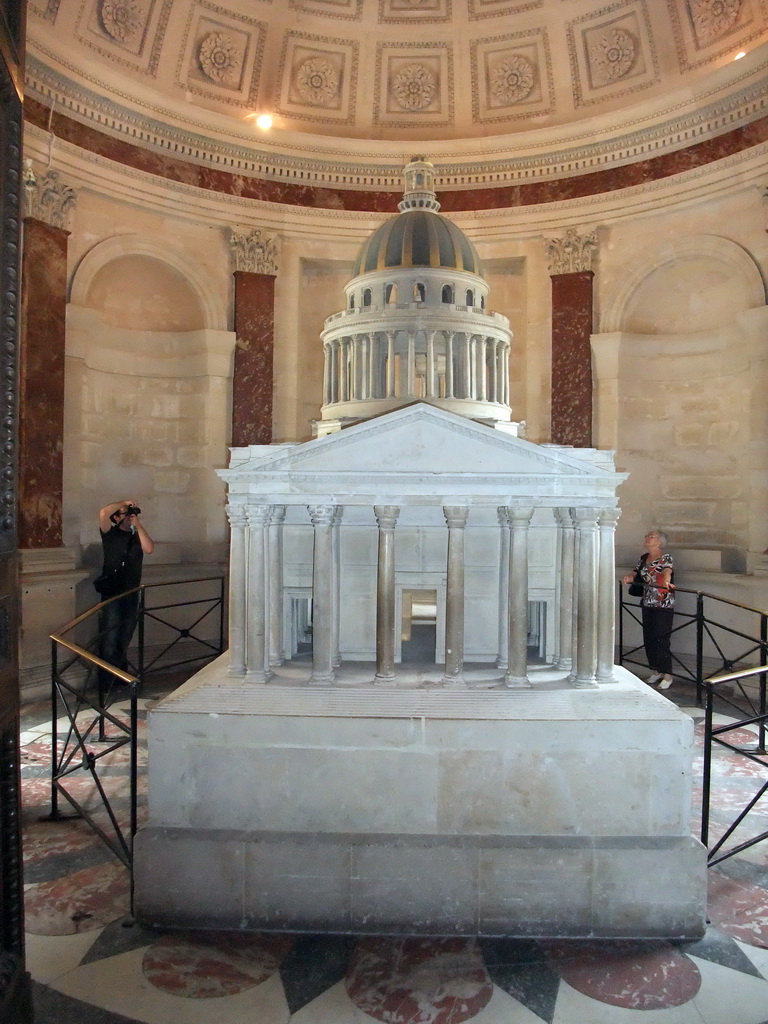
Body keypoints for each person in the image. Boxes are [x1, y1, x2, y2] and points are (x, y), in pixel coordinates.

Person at [97, 499, 154, 685]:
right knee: (110, 638)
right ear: (116, 518)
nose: (130, 516)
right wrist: (123, 502)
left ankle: (121, 677)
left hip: (131, 592)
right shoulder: (109, 534)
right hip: (113, 594)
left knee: (126, 635)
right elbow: (104, 512)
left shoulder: (136, 535)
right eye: (125, 514)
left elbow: (149, 548)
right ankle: (107, 681)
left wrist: (137, 524)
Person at [623, 529, 675, 689]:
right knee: (649, 637)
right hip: (647, 601)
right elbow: (636, 573)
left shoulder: (666, 557)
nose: (647, 538)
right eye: (647, 536)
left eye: (651, 537)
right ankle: (656, 670)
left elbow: (667, 571)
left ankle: (667, 674)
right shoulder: (644, 558)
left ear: (659, 541)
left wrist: (666, 580)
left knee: (661, 638)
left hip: (662, 603)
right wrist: (629, 578)